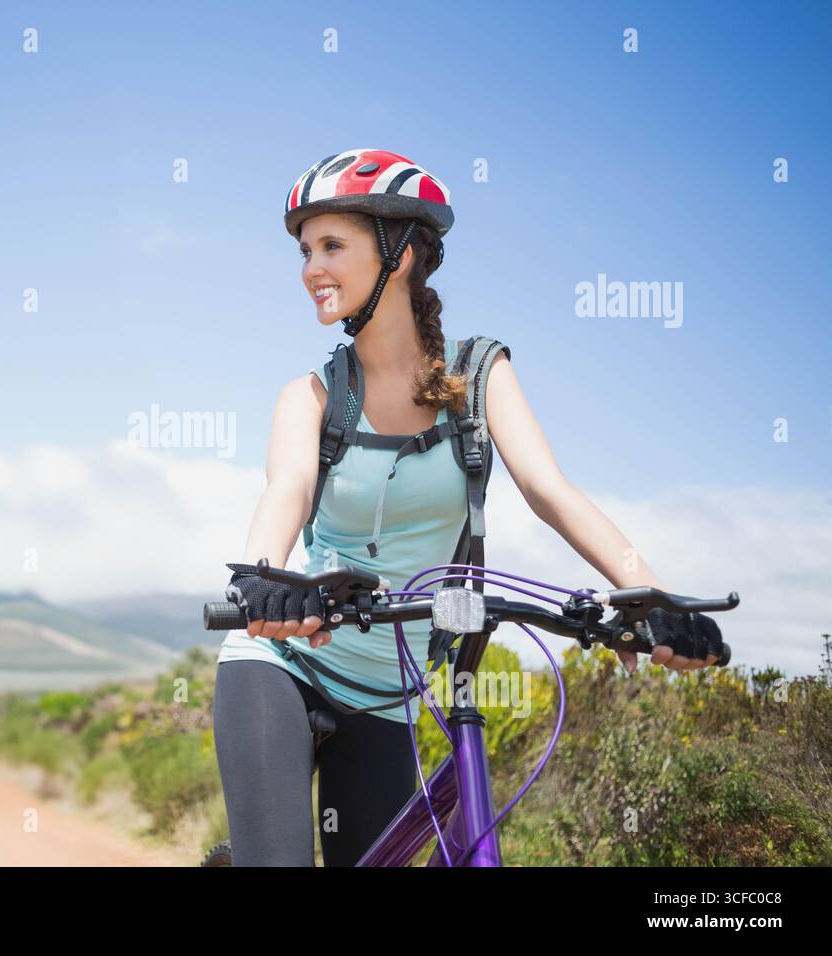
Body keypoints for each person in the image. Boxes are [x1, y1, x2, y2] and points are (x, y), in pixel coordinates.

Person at [210, 148, 724, 867]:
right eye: (305, 250)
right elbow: (286, 489)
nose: (310, 269)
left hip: (390, 693)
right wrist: (263, 581)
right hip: (285, 658)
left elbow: (551, 490)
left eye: (332, 246)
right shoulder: (311, 397)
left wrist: (653, 595)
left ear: (404, 251)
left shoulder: (482, 376)